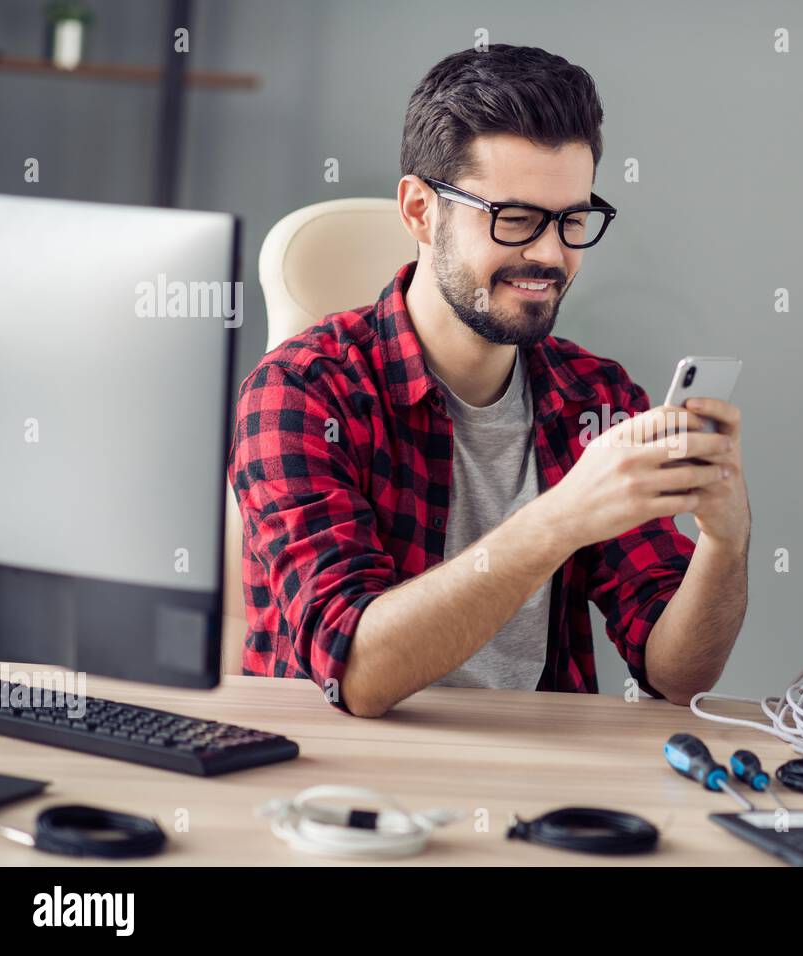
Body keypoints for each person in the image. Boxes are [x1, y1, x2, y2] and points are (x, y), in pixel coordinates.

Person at [229, 45, 749, 717]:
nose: (550, 254)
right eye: (516, 219)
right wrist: (561, 518)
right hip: (335, 784)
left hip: (535, 786)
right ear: (420, 211)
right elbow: (353, 672)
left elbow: (678, 677)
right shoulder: (300, 392)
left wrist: (724, 542)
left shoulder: (597, 400)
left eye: (572, 220)